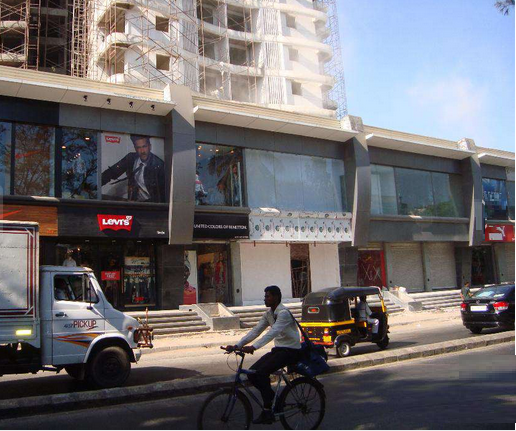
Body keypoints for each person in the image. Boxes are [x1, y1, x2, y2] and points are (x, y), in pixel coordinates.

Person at [224, 286, 302, 425]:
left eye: (268, 296)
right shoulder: (268, 314)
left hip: (291, 350)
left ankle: (267, 410)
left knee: (261, 372)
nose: (265, 298)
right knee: (252, 373)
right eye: (265, 296)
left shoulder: (283, 313)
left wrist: (254, 347)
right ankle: (272, 398)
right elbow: (256, 331)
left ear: (276, 297)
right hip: (279, 349)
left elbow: (273, 333)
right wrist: (238, 345)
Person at [101, 135, 165, 203]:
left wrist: (142, 204)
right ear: (135, 148)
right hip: (133, 204)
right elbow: (111, 172)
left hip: (151, 206)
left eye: (144, 146)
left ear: (150, 146)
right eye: (139, 147)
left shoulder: (158, 165)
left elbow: (162, 195)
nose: (142, 151)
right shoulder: (131, 158)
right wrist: (95, 184)